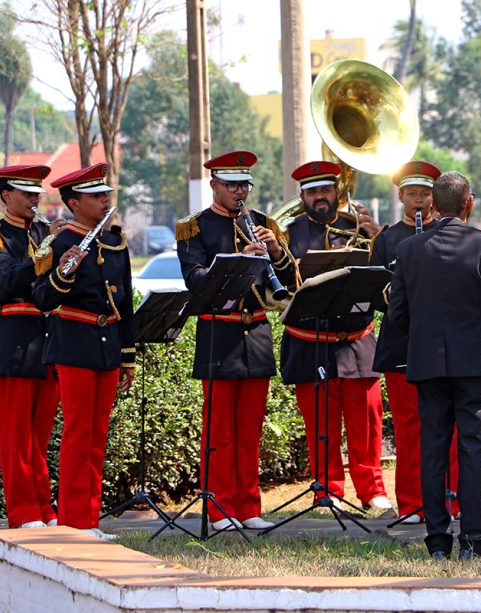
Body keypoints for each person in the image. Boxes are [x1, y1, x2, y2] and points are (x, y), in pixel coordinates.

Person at [388, 171, 481, 560]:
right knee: (472, 452)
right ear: (468, 203)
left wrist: (424, 340)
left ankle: (438, 542)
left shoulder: (409, 249)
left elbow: (398, 314)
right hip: (475, 362)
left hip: (428, 362)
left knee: (433, 451)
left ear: (433, 206)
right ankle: (474, 541)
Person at [174, 151, 286, 531]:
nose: (241, 192)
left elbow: (291, 279)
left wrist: (275, 252)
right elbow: (195, 278)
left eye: (245, 185)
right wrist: (241, 258)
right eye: (233, 185)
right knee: (219, 428)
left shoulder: (262, 223)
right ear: (215, 186)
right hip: (217, 331)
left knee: (250, 428)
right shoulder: (194, 227)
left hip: (255, 331)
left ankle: (248, 505)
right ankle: (219, 508)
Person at [277, 160, 394, 516]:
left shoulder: (358, 227)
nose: (320, 197)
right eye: (312, 192)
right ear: (302, 196)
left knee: (368, 425)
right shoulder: (287, 233)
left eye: (325, 190)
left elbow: (387, 278)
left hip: (357, 339)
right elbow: (281, 287)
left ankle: (372, 490)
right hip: (310, 339)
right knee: (320, 426)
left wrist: (378, 238)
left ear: (337, 192)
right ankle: (325, 491)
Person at [32, 163, 134, 540]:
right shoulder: (57, 243)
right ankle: (74, 520)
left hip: (106, 345)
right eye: (95, 196)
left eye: (105, 194)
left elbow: (123, 303)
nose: (104, 200)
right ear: (74, 203)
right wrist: (63, 273)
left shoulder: (115, 242)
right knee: (78, 433)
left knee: (97, 434)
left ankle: (89, 519)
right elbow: (42, 299)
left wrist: (127, 356)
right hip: (73, 342)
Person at [369, 160, 460, 523]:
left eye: (425, 194)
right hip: (402, 342)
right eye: (412, 194)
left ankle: (450, 501)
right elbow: (374, 291)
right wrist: (396, 294)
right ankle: (410, 503)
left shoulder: (446, 232)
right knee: (408, 426)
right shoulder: (388, 238)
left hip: (439, 341)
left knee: (446, 423)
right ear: (401, 196)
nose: (419, 201)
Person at [0, 164, 62, 529]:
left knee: (42, 436)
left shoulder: (46, 231)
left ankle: (45, 509)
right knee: (17, 438)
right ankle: (24, 512)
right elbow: (10, 278)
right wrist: (47, 251)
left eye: (36, 195)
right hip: (16, 336)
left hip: (50, 337)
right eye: (26, 195)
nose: (33, 201)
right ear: (5, 195)